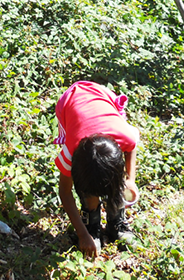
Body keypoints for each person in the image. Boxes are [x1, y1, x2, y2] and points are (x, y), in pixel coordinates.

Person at [54, 81, 140, 258]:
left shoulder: (124, 135)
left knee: (114, 181)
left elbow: (132, 147)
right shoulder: (71, 152)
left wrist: (129, 180)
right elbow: (65, 192)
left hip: (102, 95)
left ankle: (116, 222)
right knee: (91, 185)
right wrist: (83, 234)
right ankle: (91, 223)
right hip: (69, 102)